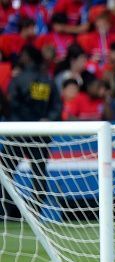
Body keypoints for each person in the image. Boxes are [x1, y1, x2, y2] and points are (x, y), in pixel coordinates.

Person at [1, 45, 61, 218]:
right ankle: (33, 212)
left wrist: (21, 121)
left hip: (19, 132)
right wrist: (46, 119)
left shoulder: (18, 80)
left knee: (5, 171)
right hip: (40, 134)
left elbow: (11, 105)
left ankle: (6, 209)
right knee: (39, 173)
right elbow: (57, 106)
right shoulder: (47, 80)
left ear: (27, 58)